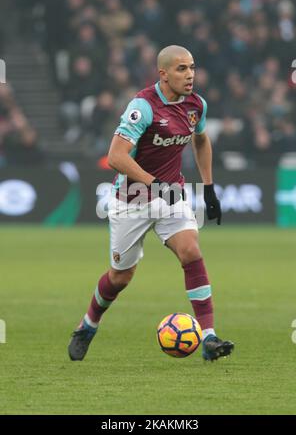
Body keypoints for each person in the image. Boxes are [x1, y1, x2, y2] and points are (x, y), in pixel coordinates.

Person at [68, 45, 234, 362]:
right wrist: (154, 183)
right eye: (182, 69)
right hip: (131, 199)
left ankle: (209, 338)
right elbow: (115, 156)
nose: (190, 75)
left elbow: (200, 139)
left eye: (192, 67)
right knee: (120, 277)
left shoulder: (196, 105)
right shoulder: (142, 107)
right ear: (163, 74)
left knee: (191, 251)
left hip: (171, 194)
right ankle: (88, 324)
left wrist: (209, 187)